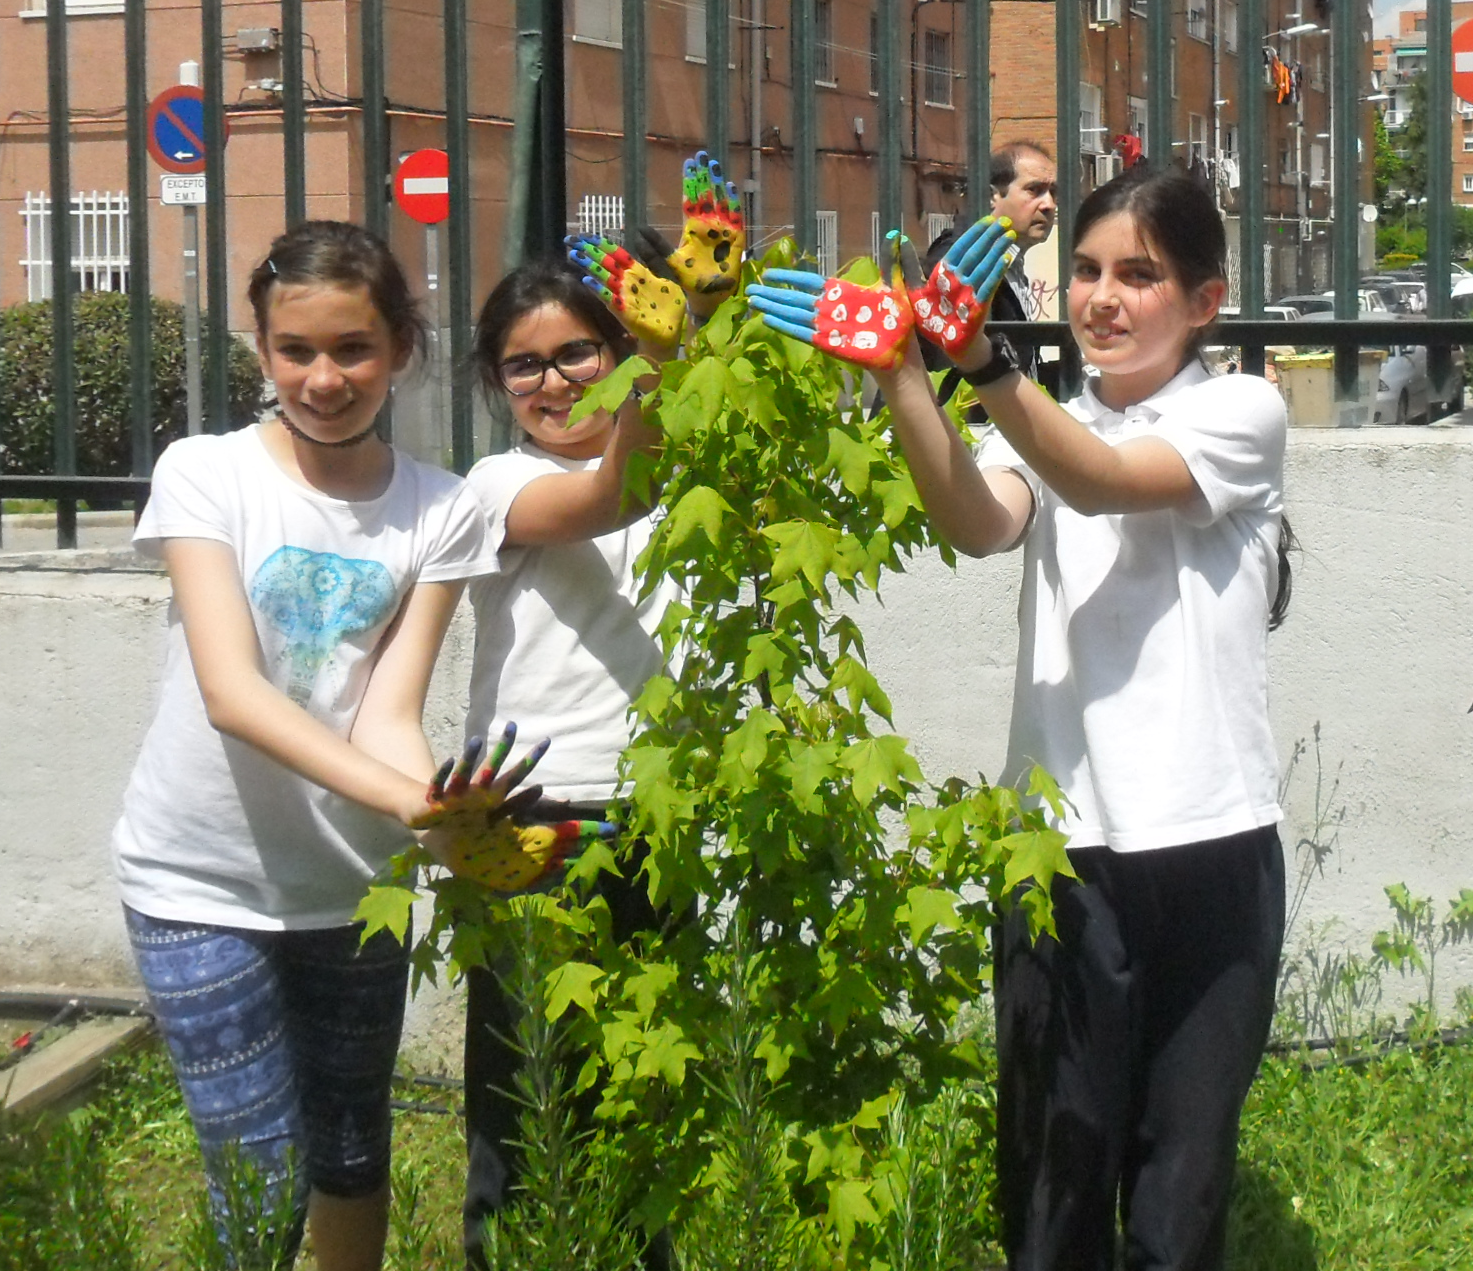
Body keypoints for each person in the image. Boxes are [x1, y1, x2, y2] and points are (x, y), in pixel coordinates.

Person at [750, 164, 1292, 1271]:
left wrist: (985, 363)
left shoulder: (1238, 410)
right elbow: (978, 520)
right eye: (1084, 270)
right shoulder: (1044, 422)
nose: (1101, 297)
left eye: (1138, 276)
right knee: (1055, 1163)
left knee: (1181, 1176)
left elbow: (1099, 480)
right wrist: (904, 373)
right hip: (1060, 849)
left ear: (1203, 302)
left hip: (1209, 839)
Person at [111, 221, 508, 1271]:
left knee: (348, 1153)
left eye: (352, 348)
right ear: (261, 348)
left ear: (402, 349)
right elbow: (232, 693)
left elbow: (386, 710)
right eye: (297, 350)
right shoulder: (206, 474)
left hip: (350, 884)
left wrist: (450, 815)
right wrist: (419, 810)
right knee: (260, 1170)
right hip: (196, 881)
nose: (324, 378)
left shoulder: (442, 507)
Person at [454, 248, 682, 1268]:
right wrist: (662, 366)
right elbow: (606, 500)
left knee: (658, 1090)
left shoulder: (684, 461)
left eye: (577, 353)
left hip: (668, 807)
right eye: (522, 365)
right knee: (529, 1094)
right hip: (533, 818)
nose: (552, 382)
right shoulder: (499, 483)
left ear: (617, 348)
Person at [919, 139, 1061, 388]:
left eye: (1053, 192)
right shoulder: (959, 261)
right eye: (1034, 190)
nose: (1049, 204)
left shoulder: (1010, 261)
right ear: (992, 197)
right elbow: (949, 367)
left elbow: (1017, 363)